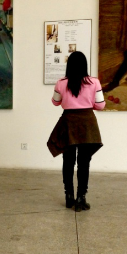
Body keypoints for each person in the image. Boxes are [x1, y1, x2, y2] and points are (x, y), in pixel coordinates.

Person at [47, 51, 104, 212]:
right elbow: (100, 105)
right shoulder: (94, 82)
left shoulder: (61, 83)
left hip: (68, 122)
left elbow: (55, 102)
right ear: (85, 65)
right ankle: (81, 198)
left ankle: (69, 196)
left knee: (68, 161)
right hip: (87, 123)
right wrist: (88, 103)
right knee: (84, 162)